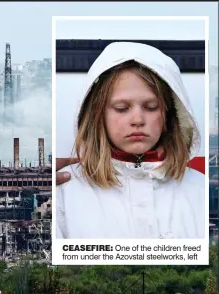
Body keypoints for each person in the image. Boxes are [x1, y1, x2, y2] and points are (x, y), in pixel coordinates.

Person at [56, 42, 205, 239]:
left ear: (169, 116)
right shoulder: (65, 191)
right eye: (121, 108)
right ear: (98, 115)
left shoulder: (200, 189)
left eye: (151, 107)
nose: (137, 120)